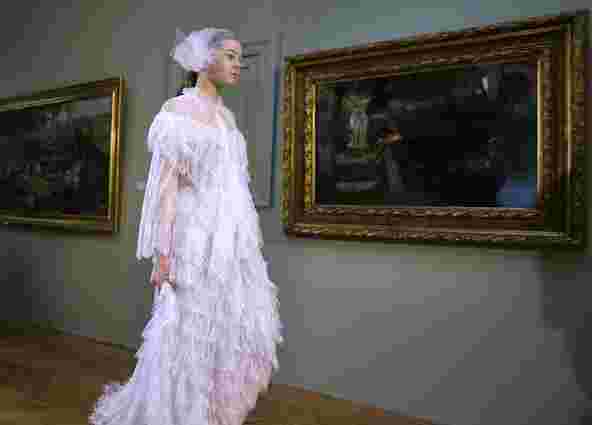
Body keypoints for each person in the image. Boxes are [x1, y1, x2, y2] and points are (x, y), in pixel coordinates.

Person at [89, 27, 284, 425]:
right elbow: (166, 189)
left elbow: (234, 183)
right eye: (230, 56)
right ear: (205, 60)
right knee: (185, 330)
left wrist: (243, 243)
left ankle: (210, 414)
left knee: (227, 326)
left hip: (230, 239)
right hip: (193, 239)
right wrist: (163, 253)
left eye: (239, 57)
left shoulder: (226, 118)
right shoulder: (177, 112)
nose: (238, 65)